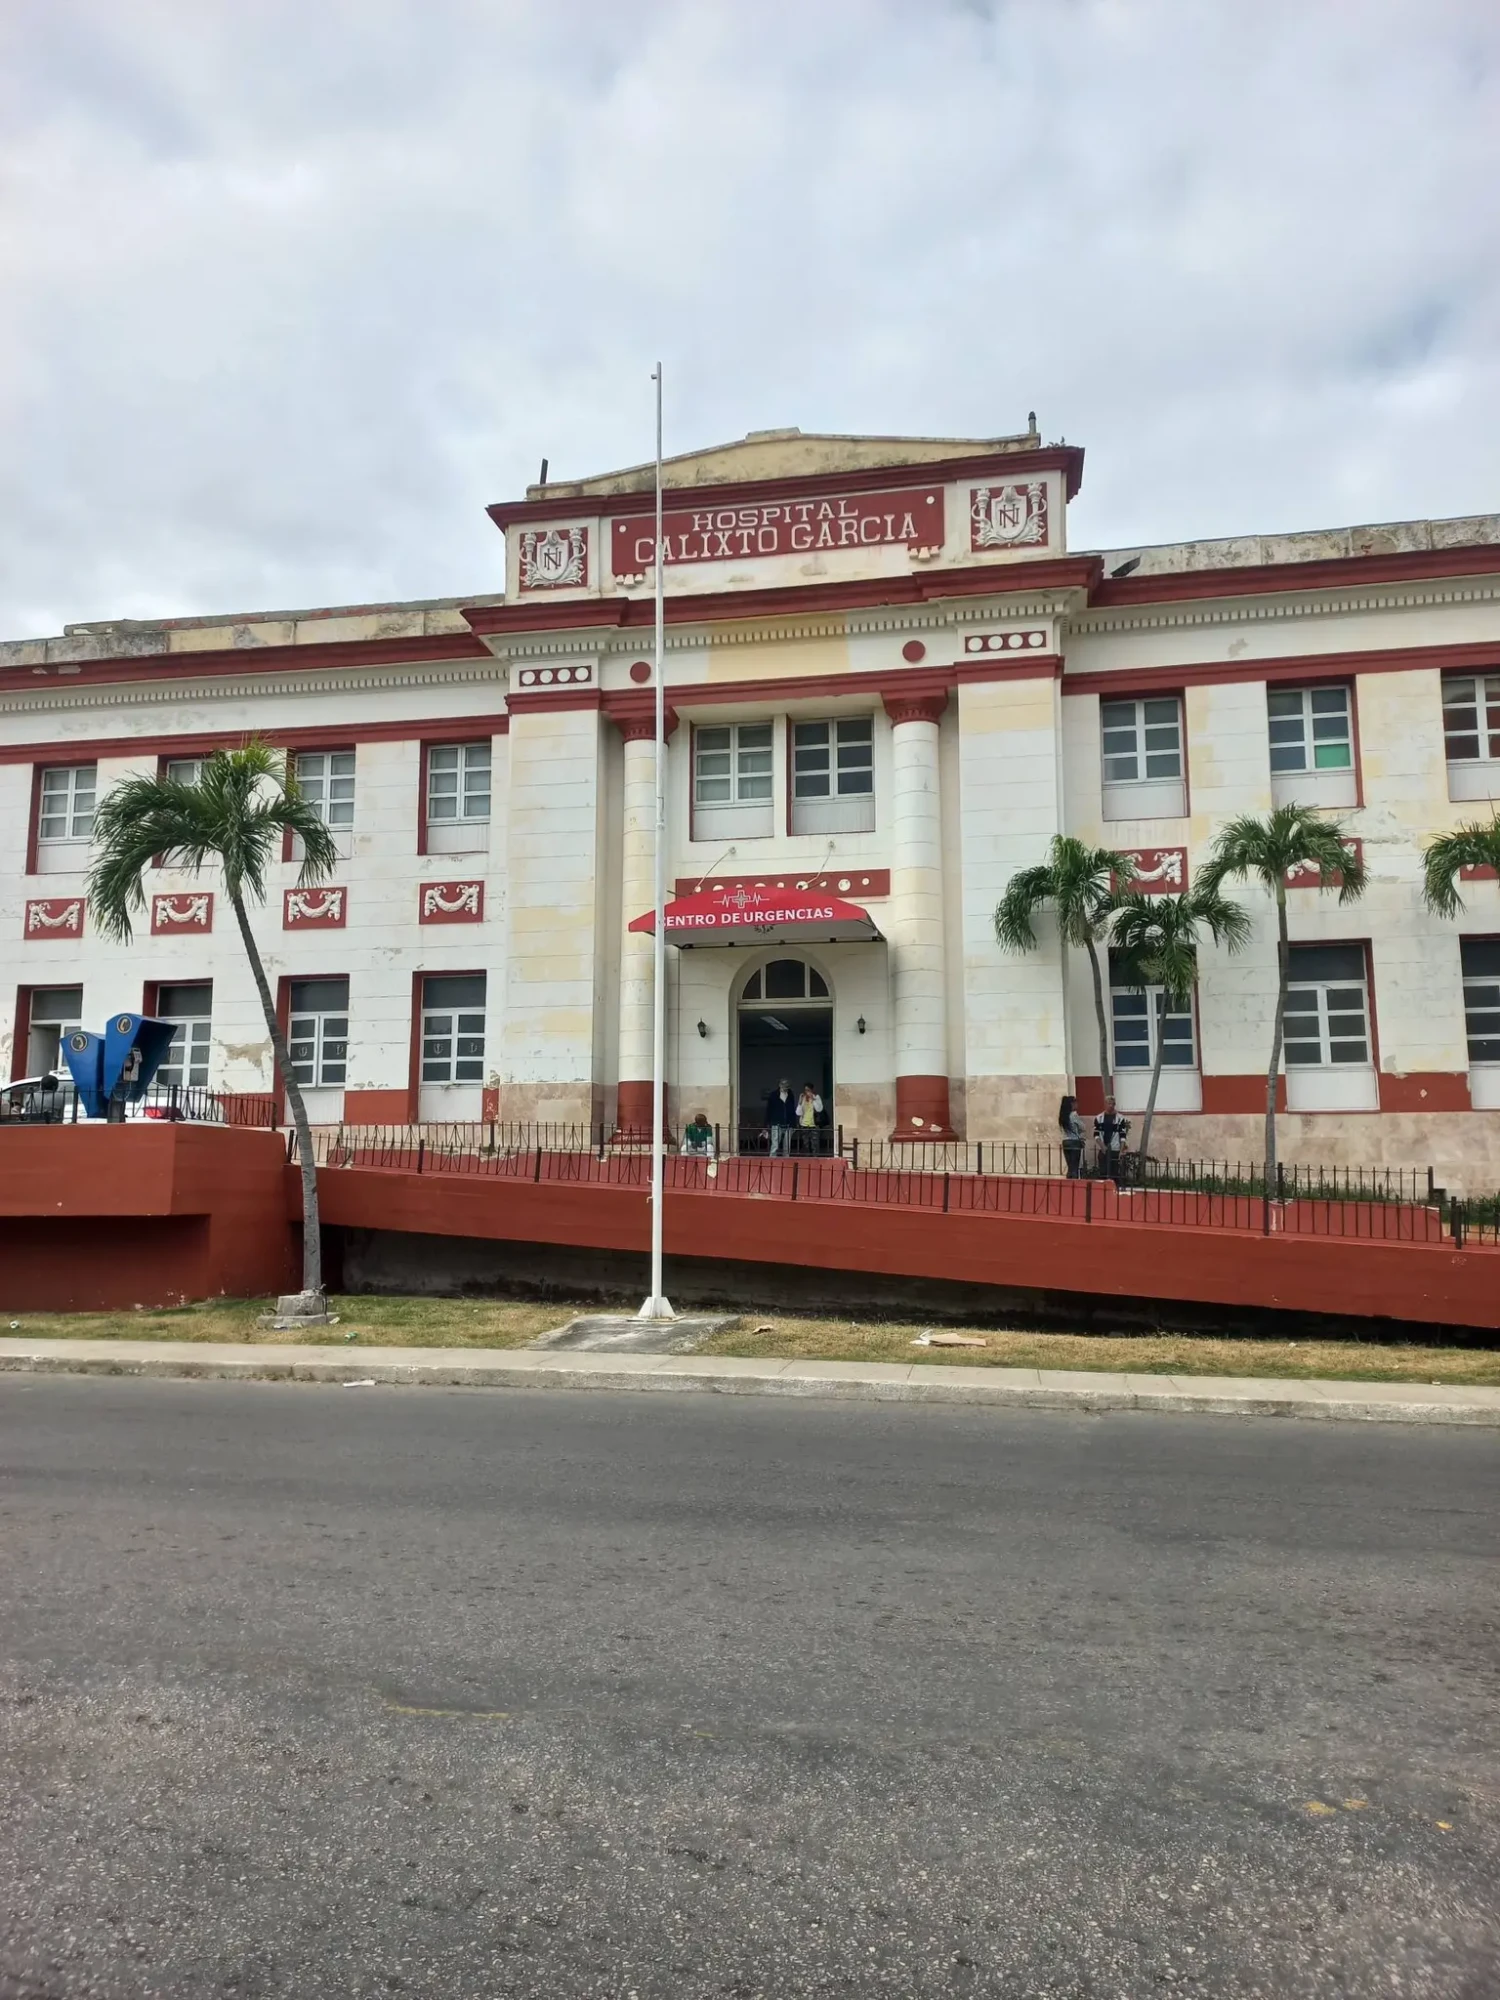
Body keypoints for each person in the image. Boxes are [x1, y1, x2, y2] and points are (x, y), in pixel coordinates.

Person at [1094, 1096, 1130, 1184]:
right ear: (1105, 1104)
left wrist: (1121, 1150)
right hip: (1103, 1149)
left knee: (1114, 1172)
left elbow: (1123, 1136)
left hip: (1115, 1148)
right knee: (1103, 1171)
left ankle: (1115, 1189)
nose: (1111, 1106)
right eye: (1109, 1104)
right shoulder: (1099, 1118)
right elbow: (1096, 1134)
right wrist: (1102, 1146)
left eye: (1112, 1104)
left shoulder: (1120, 1118)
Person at [765, 1077, 798, 1156]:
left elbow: (792, 1109)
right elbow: (769, 1110)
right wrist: (766, 1124)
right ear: (779, 1085)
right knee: (775, 1145)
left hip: (788, 1123)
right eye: (783, 1086)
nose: (785, 1088)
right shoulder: (773, 1095)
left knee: (787, 1147)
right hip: (776, 1123)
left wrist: (794, 1124)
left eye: (786, 1087)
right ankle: (772, 1162)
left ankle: (786, 1162)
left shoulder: (790, 1094)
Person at [1058, 1094, 1085, 1179]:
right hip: (1074, 1142)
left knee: (1070, 1166)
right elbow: (1082, 1127)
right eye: (1075, 1102)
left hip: (1066, 1141)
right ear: (1072, 1104)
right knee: (1075, 1166)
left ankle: (1069, 1182)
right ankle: (1074, 1182)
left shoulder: (1063, 1116)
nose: (1077, 1104)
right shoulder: (1074, 1115)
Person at [795, 1081, 824, 1154]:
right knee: (806, 1145)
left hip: (814, 1125)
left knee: (815, 1145)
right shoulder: (802, 1097)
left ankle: (815, 1160)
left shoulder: (817, 1097)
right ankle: (807, 1160)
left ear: (812, 1090)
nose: (806, 1092)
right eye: (805, 1090)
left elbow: (819, 1109)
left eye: (808, 1090)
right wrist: (800, 1102)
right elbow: (798, 1113)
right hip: (804, 1125)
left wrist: (813, 1099)